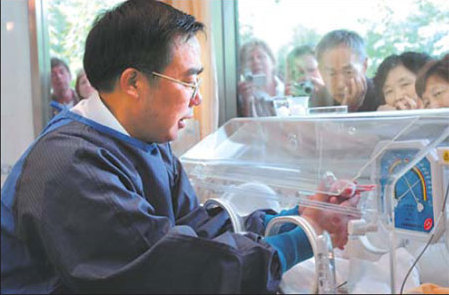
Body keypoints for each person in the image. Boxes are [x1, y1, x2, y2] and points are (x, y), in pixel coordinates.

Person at [1, 1, 359, 293]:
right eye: (188, 82)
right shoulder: (71, 165)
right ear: (133, 83)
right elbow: (167, 270)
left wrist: (292, 218)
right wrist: (301, 240)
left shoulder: (141, 139)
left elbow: (193, 228)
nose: (199, 98)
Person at [315, 29, 381, 112]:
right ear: (320, 72)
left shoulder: (382, 94)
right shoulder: (318, 100)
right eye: (331, 74)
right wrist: (348, 109)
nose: (340, 84)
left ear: (364, 66)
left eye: (348, 72)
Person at [237, 39, 285, 117]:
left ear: (272, 62)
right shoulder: (241, 95)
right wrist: (247, 102)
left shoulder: (286, 89)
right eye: (250, 59)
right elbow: (247, 126)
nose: (256, 61)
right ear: (243, 69)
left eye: (261, 56)